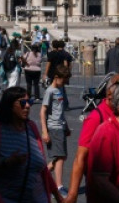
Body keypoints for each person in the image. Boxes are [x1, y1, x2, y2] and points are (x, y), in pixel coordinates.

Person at [0, 86, 62, 203]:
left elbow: (42, 170)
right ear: (9, 105)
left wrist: (59, 198)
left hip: (38, 197)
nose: (27, 106)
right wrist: (5, 163)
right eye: (22, 102)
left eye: (29, 102)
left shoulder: (31, 127)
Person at [65, 74, 119, 203]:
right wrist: (72, 194)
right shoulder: (96, 117)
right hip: (102, 187)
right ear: (110, 95)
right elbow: (80, 158)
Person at [41, 64, 72, 197]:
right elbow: (43, 112)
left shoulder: (60, 89)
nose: (64, 82)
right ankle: (58, 187)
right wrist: (45, 131)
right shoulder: (50, 91)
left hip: (60, 126)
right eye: (63, 80)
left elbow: (60, 111)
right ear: (56, 77)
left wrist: (66, 126)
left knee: (62, 157)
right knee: (59, 158)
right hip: (53, 128)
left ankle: (40, 177)